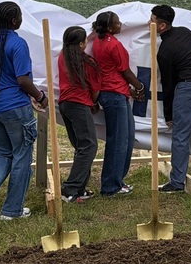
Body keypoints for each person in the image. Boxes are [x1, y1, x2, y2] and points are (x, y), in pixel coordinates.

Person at [0, 2, 46, 221]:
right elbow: (22, 79)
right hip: (14, 107)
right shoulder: (18, 43)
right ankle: (12, 210)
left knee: (1, 153)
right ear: (15, 20)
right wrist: (39, 96)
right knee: (22, 156)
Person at [151, 4, 191, 193]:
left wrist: (168, 114)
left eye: (152, 20)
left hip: (188, 88)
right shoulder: (186, 32)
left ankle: (177, 182)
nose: (149, 23)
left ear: (162, 26)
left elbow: (168, 85)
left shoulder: (165, 51)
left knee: (180, 137)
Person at [91, 11, 145, 196]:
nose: (121, 24)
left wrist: (129, 90)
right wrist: (139, 87)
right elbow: (125, 71)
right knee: (119, 141)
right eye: (117, 22)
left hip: (114, 93)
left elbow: (112, 72)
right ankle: (110, 186)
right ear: (109, 27)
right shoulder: (114, 45)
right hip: (114, 96)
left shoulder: (99, 43)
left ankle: (116, 181)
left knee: (126, 138)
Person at [58, 26, 99, 203]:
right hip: (79, 104)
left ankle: (79, 188)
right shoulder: (87, 62)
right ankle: (71, 188)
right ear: (82, 44)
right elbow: (95, 88)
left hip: (65, 103)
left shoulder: (63, 56)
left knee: (81, 146)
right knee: (89, 146)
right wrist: (94, 102)